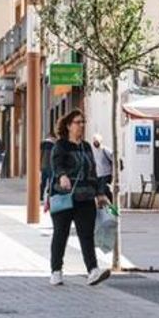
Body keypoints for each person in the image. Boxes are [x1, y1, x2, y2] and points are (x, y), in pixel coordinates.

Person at [48, 110, 112, 287]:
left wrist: (100, 193)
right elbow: (56, 164)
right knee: (61, 234)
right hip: (64, 197)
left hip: (85, 197)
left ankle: (93, 270)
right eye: (78, 122)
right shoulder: (60, 146)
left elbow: (93, 171)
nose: (81, 126)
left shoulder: (86, 146)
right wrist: (62, 176)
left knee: (86, 235)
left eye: (83, 122)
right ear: (68, 126)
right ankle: (56, 271)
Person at [40, 131, 57, 202]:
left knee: (43, 181)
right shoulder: (54, 144)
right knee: (51, 181)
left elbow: (40, 154)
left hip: (43, 165)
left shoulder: (42, 143)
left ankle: (40, 195)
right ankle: (50, 195)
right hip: (51, 165)